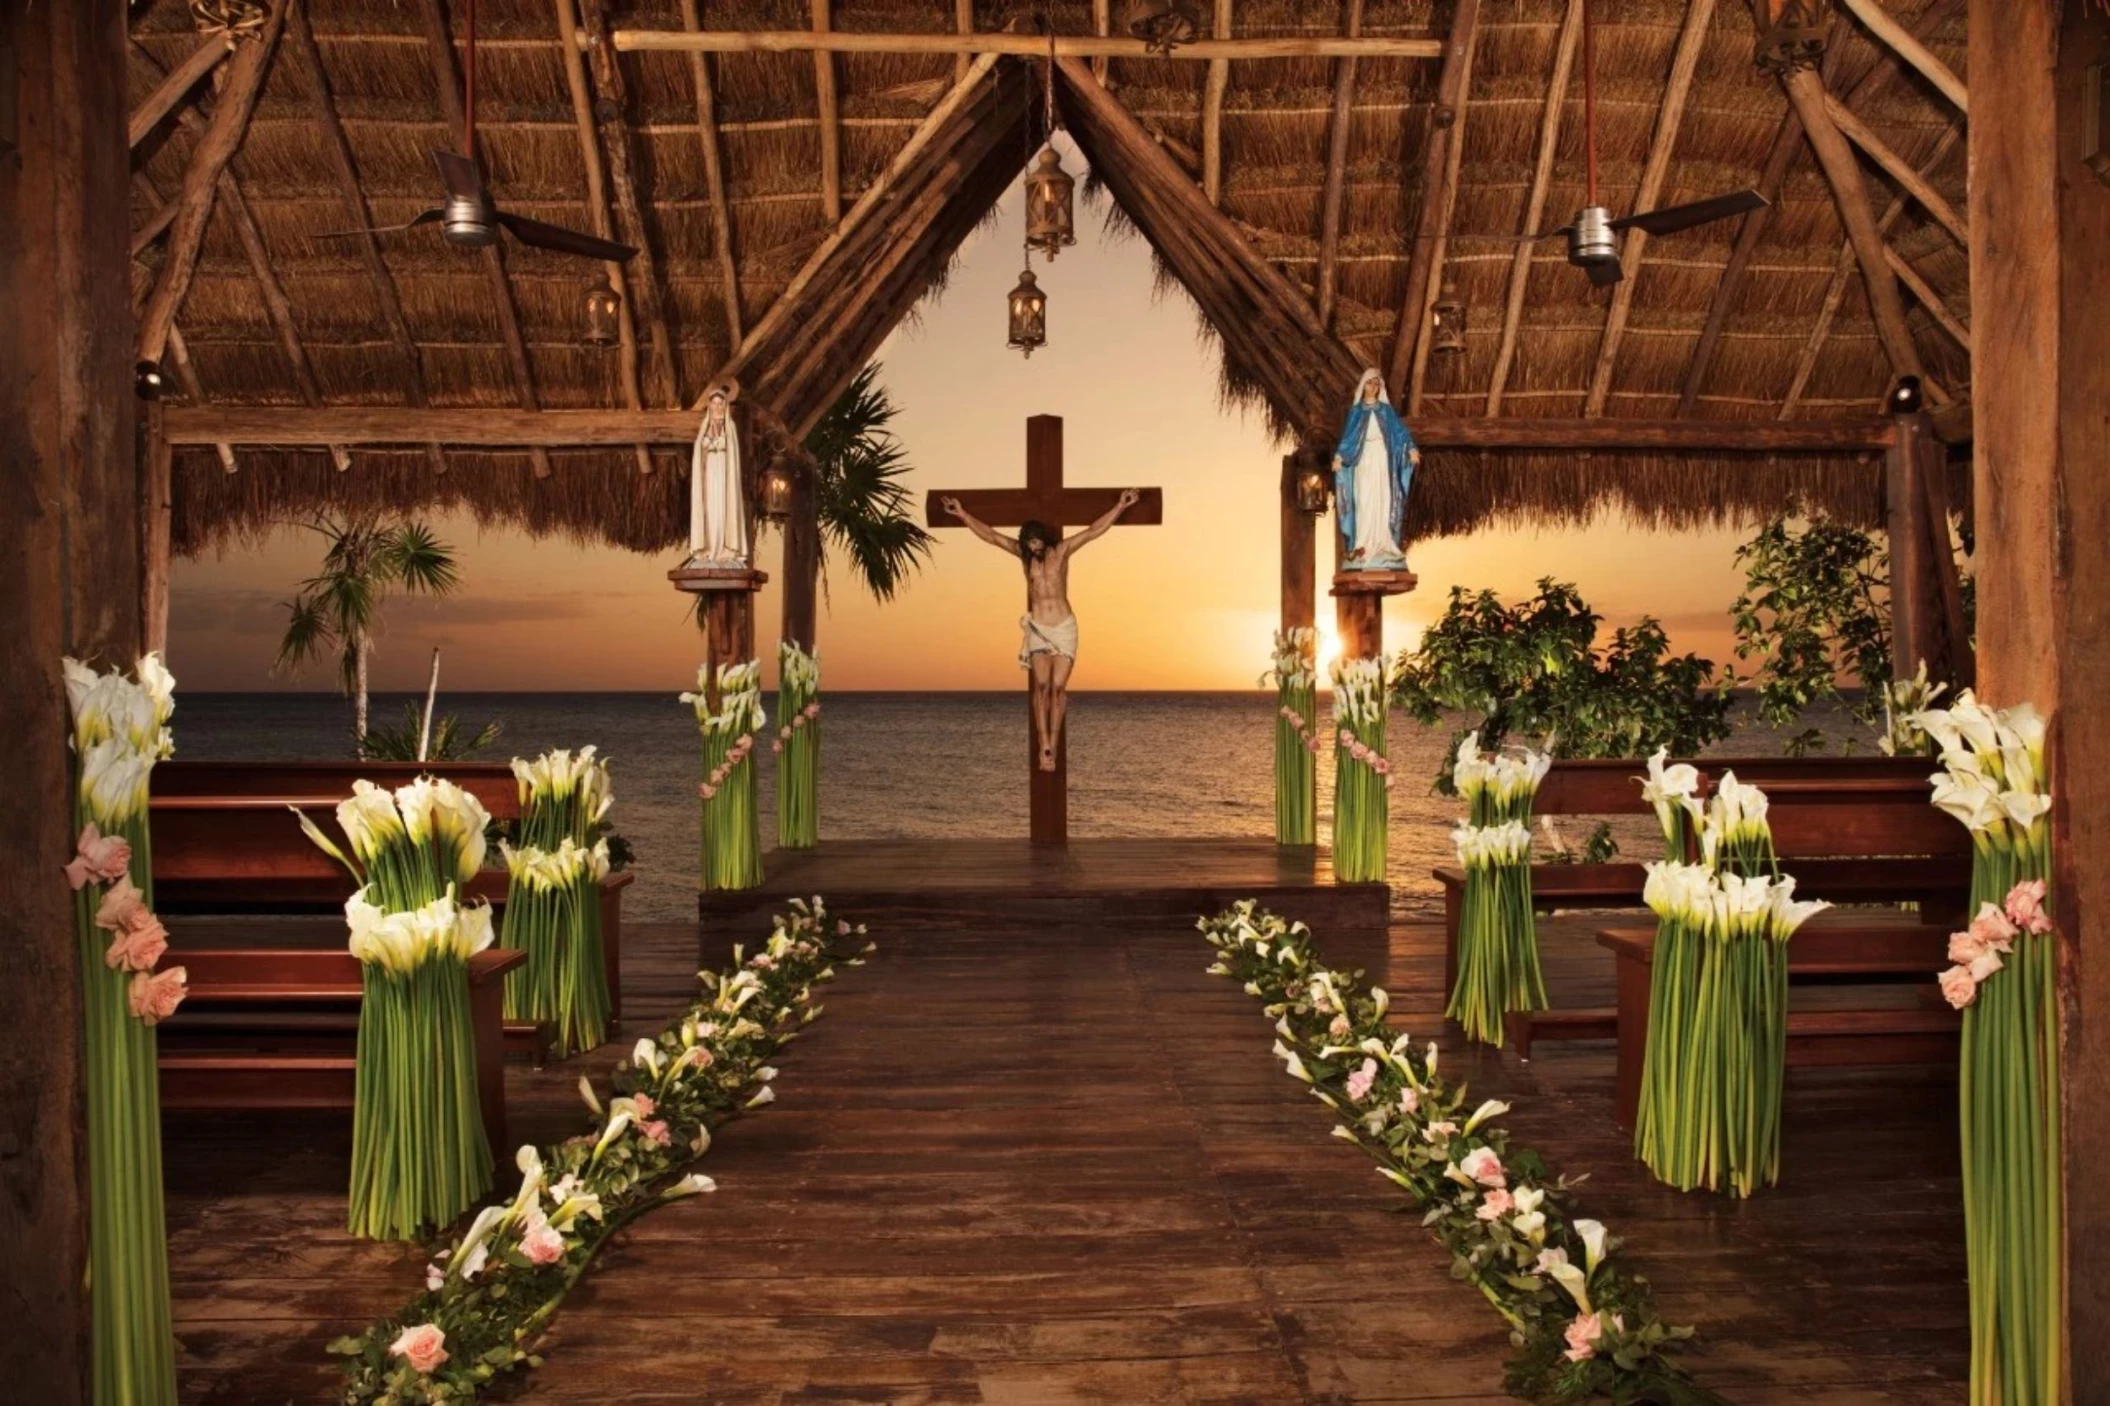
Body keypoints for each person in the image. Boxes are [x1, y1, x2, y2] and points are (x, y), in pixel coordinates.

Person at [942, 488, 1142, 771]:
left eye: (1035, 540)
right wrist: (962, 514)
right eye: (1028, 542)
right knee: (1042, 688)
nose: (1032, 546)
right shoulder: (1025, 559)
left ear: (1042, 537)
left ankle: (1054, 746)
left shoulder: (1061, 551)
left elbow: (1093, 530)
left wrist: (1120, 506)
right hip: (1038, 629)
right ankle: (1043, 743)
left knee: (1058, 691)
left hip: (1063, 627)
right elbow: (992, 536)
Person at [1332, 368, 1419, 569]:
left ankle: (1384, 544)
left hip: (1382, 458)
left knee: (1383, 498)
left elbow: (1400, 433)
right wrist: (1339, 456)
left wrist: (1411, 450)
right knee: (1364, 499)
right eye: (1370, 383)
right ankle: (1361, 544)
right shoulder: (1356, 412)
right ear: (1363, 386)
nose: (1374, 387)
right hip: (1363, 460)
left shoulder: (1386, 410)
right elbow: (1348, 438)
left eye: (1377, 383)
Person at [688, 380, 747, 567]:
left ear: (725, 405)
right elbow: (699, 449)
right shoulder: (704, 427)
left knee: (723, 508)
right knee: (709, 510)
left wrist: (716, 446)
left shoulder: (730, 428)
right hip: (708, 475)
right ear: (709, 405)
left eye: (720, 403)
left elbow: (731, 452)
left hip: (724, 476)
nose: (717, 407)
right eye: (713, 403)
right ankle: (708, 548)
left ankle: (725, 548)